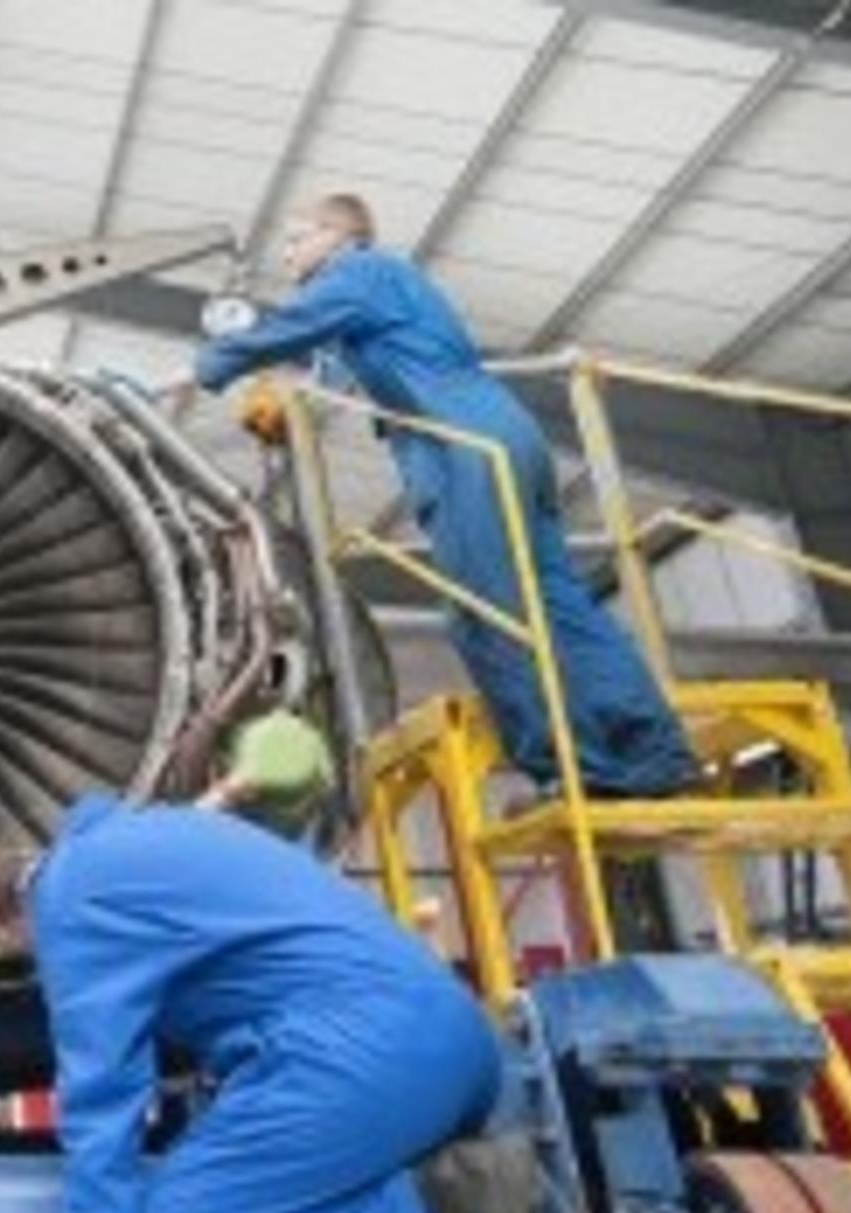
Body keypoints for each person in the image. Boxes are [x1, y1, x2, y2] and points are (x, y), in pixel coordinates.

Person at [0, 796, 554, 1213]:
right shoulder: (146, 833)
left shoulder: (69, 911)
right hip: (462, 1043)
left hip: (360, 1058)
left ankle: (446, 1207)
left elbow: (101, 1095)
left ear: (1, 932)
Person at [169, 193, 696, 800]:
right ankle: (653, 754)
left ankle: (571, 768)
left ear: (336, 236)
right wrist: (284, 403)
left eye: (295, 239)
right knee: (557, 604)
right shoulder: (383, 290)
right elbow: (325, 371)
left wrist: (209, 365)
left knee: (485, 612)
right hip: (504, 436)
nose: (286, 253)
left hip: (461, 446)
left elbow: (291, 327)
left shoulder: (361, 272)